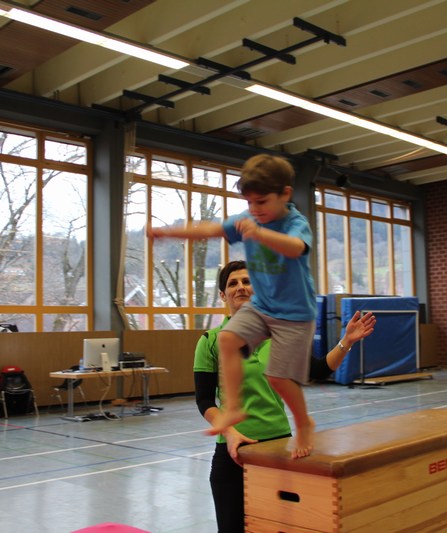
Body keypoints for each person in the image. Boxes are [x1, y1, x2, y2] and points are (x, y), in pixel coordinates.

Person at [151, 154, 318, 458]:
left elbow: (296, 248)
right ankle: (233, 409)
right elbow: (209, 230)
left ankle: (303, 422)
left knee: (277, 377)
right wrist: (168, 233)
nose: (255, 209)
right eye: (250, 202)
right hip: (262, 307)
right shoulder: (248, 218)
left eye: (262, 202)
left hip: (294, 315)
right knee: (227, 339)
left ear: (285, 194)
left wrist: (260, 234)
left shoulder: (295, 222)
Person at [195, 261, 376, 532]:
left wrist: (346, 341)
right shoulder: (210, 341)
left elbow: (318, 369)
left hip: (279, 448)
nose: (241, 287)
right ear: (223, 295)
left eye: (247, 281)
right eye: (233, 283)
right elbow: (205, 400)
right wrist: (230, 434)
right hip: (233, 452)